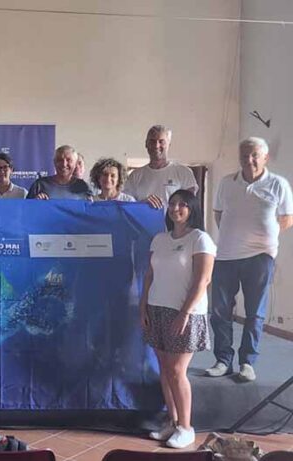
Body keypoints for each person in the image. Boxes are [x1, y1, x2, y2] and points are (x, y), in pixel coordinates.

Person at [206, 137, 293, 382]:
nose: (249, 160)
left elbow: (287, 218)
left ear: (265, 157)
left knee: (255, 312)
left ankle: (247, 362)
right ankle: (223, 360)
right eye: (244, 155)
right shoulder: (227, 183)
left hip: (260, 257)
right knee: (220, 311)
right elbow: (218, 214)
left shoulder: (278, 184)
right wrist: (235, 236)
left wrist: (266, 236)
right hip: (226, 255)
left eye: (255, 155)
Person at [139, 189, 216, 449]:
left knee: (176, 371)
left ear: (192, 209)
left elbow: (203, 280)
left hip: (186, 313)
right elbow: (149, 276)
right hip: (157, 309)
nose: (176, 208)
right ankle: (172, 422)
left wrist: (184, 313)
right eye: (172, 204)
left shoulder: (200, 238)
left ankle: (186, 427)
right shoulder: (159, 239)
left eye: (183, 204)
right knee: (164, 369)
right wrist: (143, 307)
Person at [124, 125, 198, 208]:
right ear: (146, 144)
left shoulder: (184, 172)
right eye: (152, 141)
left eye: (161, 142)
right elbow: (127, 207)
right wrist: (142, 205)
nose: (156, 146)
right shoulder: (135, 176)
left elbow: (191, 207)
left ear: (169, 144)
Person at [27, 145, 91, 200]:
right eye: (60, 160)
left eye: (69, 160)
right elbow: (27, 208)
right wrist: (36, 201)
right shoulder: (39, 185)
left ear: (75, 164)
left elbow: (89, 208)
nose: (64, 164)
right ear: (54, 162)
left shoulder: (83, 186)